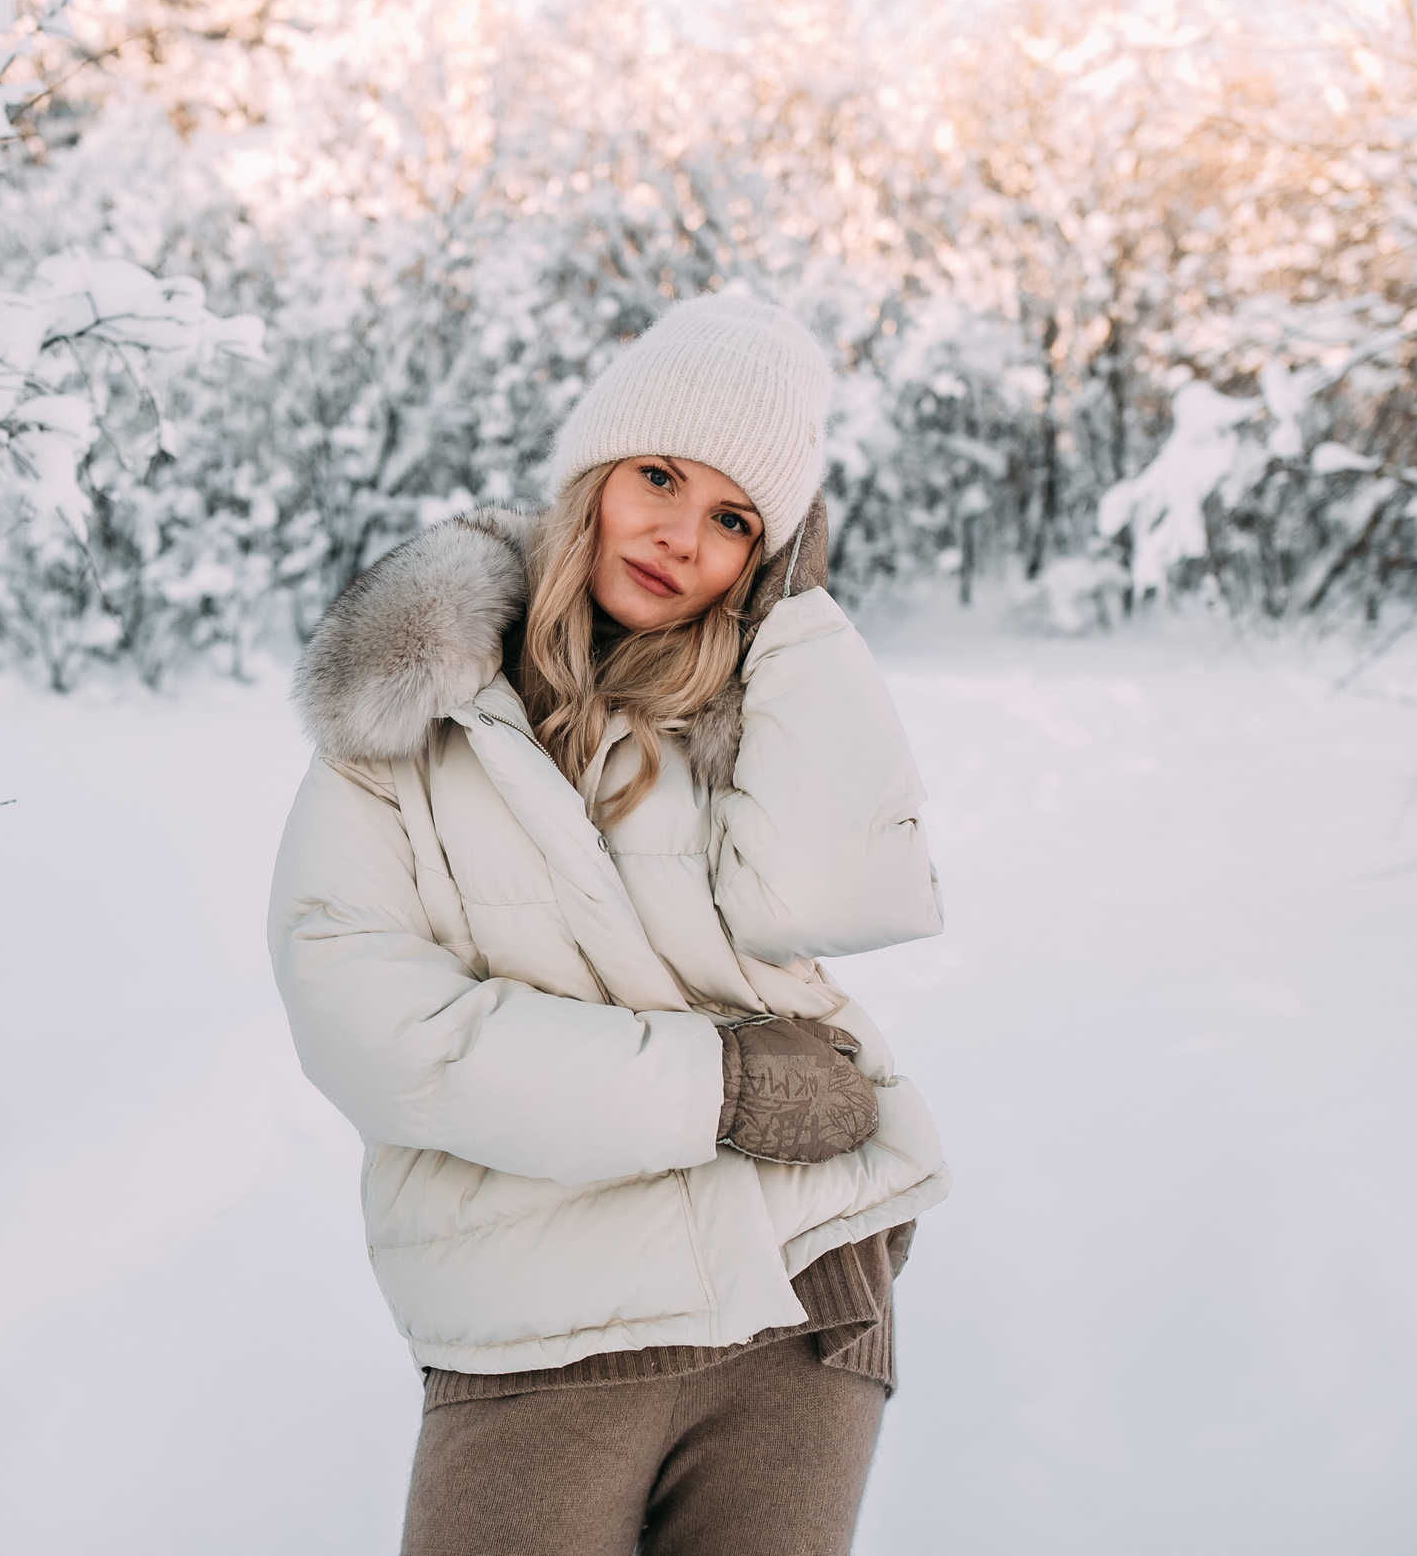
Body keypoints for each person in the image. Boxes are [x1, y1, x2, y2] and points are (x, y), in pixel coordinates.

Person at [268, 292, 949, 1556]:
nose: (683, 537)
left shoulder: (755, 698)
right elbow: (378, 1032)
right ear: (590, 473)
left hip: (800, 1282)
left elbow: (832, 894)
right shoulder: (399, 721)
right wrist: (718, 1089)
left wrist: (798, 619)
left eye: (738, 520)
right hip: (539, 1317)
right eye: (657, 476)